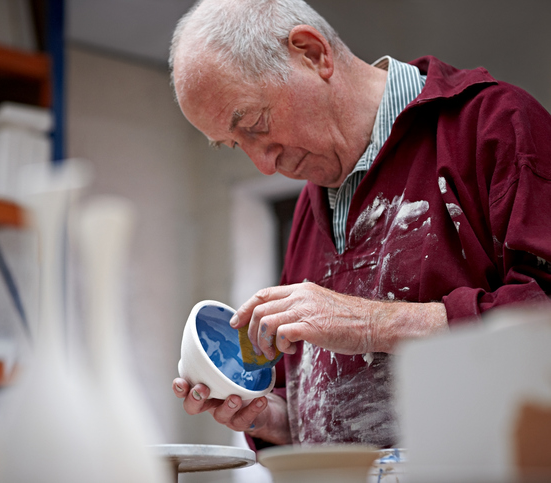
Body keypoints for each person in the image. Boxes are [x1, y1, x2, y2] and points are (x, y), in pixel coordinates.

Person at [169, 0, 551, 449]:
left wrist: (372, 324)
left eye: (256, 123)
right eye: (234, 145)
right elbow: (352, 414)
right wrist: (270, 417)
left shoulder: (495, 126)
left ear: (313, 54)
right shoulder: (313, 207)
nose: (264, 164)